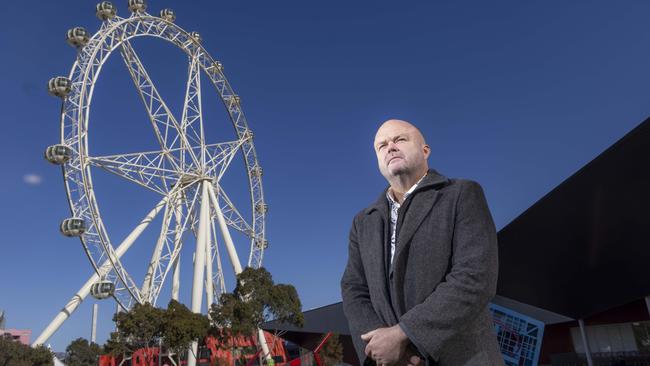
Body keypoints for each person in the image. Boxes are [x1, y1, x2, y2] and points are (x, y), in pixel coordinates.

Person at [340, 120, 504, 366]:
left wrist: (405, 334)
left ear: (425, 150)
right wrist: (380, 347)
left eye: (400, 140)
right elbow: (354, 289)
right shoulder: (362, 222)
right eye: (382, 145)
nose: (391, 147)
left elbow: (475, 277)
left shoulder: (461, 194)